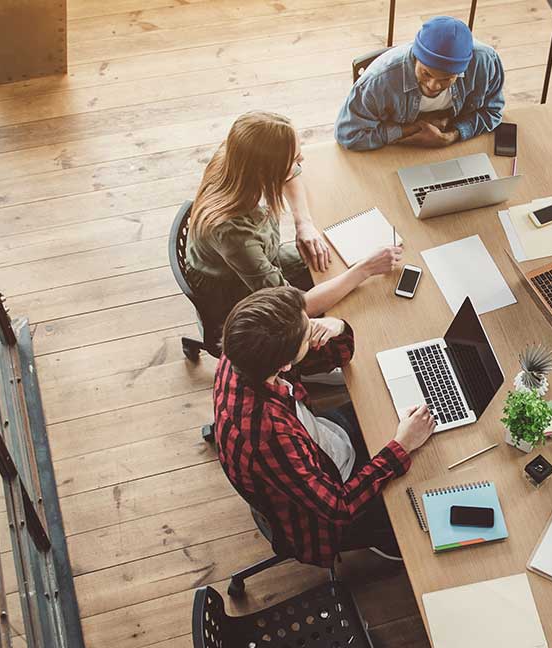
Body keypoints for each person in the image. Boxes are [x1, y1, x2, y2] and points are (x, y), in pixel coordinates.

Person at [212, 286, 436, 567]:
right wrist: (400, 446)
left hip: (321, 440)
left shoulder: (243, 352)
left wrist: (335, 325)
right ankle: (381, 538)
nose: (312, 328)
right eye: (308, 334)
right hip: (327, 504)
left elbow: (337, 355)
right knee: (424, 491)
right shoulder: (269, 436)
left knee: (397, 411)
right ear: (283, 364)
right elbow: (339, 507)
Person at [185, 111, 401, 345]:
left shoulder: (237, 160)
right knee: (353, 298)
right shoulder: (235, 235)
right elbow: (295, 309)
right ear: (267, 171)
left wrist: (304, 224)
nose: (302, 162)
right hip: (234, 292)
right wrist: (365, 269)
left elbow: (291, 177)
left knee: (331, 259)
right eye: (295, 159)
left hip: (261, 260)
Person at [335, 16, 505, 151]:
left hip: (452, 149)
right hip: (395, 154)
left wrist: (452, 136)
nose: (433, 86)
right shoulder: (378, 81)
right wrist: (411, 130)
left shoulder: (486, 62)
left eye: (446, 79)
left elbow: (493, 111)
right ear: (415, 57)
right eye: (426, 73)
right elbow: (348, 134)